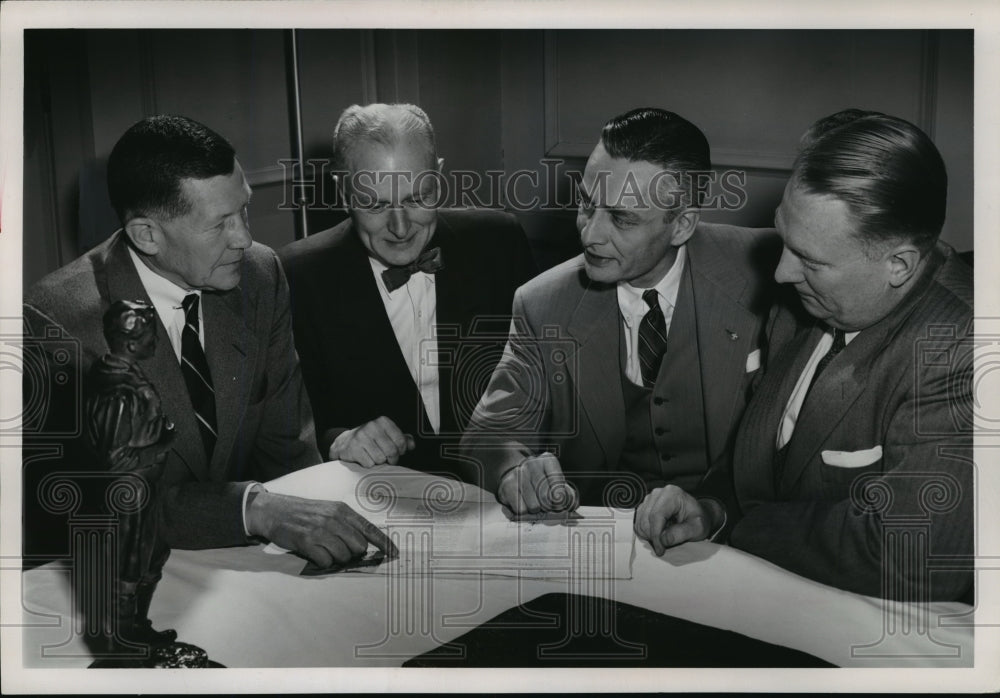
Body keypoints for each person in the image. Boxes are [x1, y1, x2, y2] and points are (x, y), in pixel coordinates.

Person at [24, 115, 395, 568]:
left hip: (240, 571)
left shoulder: (260, 275)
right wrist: (254, 509)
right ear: (147, 235)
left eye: (243, 209)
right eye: (220, 224)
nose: (245, 238)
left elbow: (288, 451)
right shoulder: (53, 323)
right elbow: (110, 503)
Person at [633, 109, 973, 602]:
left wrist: (741, 525)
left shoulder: (966, 352)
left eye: (811, 260)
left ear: (898, 265)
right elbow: (763, 450)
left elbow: (913, 553)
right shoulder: (811, 297)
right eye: (785, 240)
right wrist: (711, 508)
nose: (781, 274)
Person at [461, 107, 781, 515]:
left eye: (621, 218)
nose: (590, 234)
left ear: (682, 225)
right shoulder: (542, 303)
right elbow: (488, 435)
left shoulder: (768, 273)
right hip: (600, 537)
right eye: (587, 204)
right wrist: (514, 471)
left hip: (729, 535)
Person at [279, 103, 536, 478]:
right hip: (382, 500)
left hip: (498, 493)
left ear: (440, 176)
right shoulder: (298, 275)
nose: (400, 228)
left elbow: (544, 382)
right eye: (375, 204)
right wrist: (340, 440)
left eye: (417, 198)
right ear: (343, 191)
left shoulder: (500, 243)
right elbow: (290, 424)